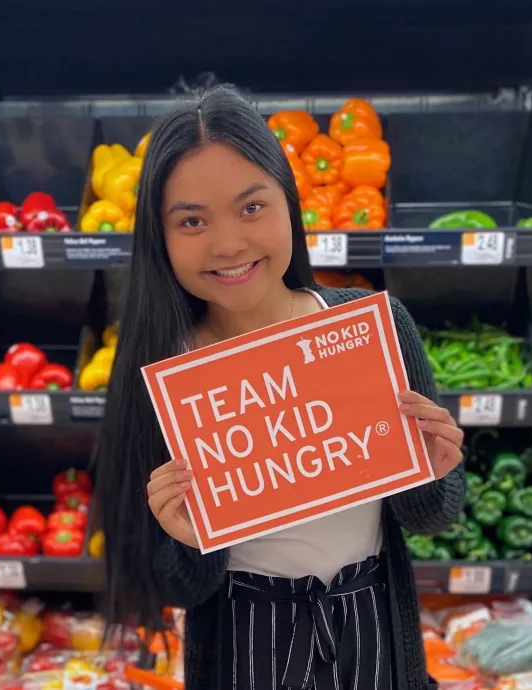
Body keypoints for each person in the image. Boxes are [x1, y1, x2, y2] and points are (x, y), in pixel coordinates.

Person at [97, 85, 466, 690]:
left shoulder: (373, 327)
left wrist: (431, 469)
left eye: (251, 207)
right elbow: (176, 587)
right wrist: (188, 537)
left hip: (371, 619)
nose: (228, 244)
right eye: (192, 220)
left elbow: (431, 515)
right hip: (244, 633)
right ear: (158, 237)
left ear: (289, 204)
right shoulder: (163, 370)